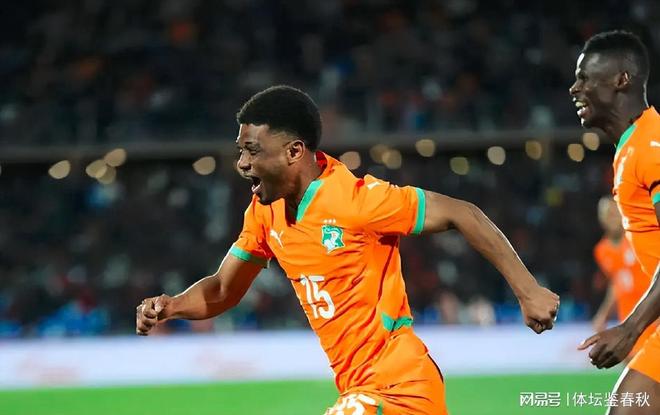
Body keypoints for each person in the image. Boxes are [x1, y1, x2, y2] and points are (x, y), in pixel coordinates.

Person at [136, 85, 559, 415]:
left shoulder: (357, 201)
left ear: (294, 151)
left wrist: (528, 290)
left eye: (252, 150)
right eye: (240, 151)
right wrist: (172, 306)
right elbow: (223, 289)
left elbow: (462, 212)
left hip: (401, 387)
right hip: (359, 389)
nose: (242, 163)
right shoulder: (264, 212)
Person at [570, 30, 660, 414]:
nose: (575, 88)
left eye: (585, 78)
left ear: (622, 79)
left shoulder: (652, 147)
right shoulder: (633, 147)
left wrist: (630, 328)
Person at [592, 196, 656, 359]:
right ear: (601, 219)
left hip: (650, 314)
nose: (612, 218)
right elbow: (616, 284)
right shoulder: (601, 250)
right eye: (607, 214)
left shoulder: (638, 239)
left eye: (615, 213)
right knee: (630, 365)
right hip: (627, 317)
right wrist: (603, 315)